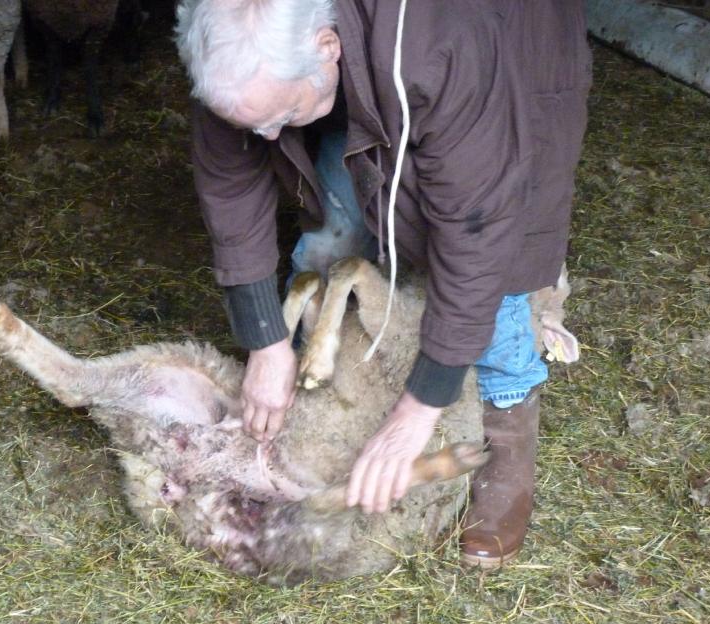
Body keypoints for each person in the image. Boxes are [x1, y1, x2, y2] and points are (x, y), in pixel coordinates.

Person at [175, 0, 591, 569]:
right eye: (253, 121)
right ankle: (333, 406)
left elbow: (478, 229)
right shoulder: (234, 44)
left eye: (278, 114)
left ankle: (508, 438)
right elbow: (229, 182)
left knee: (496, 283)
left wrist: (415, 414)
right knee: (335, 230)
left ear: (328, 46)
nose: (266, 135)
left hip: (499, 74)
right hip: (360, 77)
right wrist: (264, 340)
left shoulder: (442, 41)